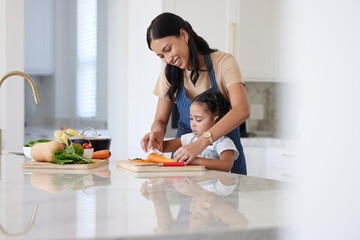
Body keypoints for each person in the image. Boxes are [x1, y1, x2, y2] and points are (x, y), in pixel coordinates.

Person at [140, 12, 249, 174]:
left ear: (183, 35)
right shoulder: (169, 74)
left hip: (226, 169)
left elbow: (242, 110)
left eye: (168, 49)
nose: (168, 59)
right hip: (185, 167)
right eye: (161, 56)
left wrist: (200, 143)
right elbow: (160, 121)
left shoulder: (223, 63)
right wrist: (156, 134)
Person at [161, 90, 239, 172]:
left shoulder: (223, 142)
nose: (193, 124)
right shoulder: (190, 138)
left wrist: (194, 160)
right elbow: (165, 146)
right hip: (192, 184)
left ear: (215, 120)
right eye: (191, 118)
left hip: (215, 184)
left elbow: (226, 165)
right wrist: (154, 141)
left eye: (198, 120)